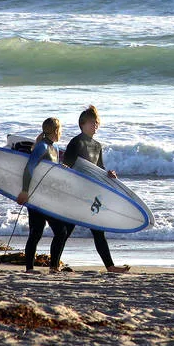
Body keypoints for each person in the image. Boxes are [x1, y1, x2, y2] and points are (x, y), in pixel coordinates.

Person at [61, 105, 130, 273]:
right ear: (82, 124)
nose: (95, 126)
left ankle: (110, 266)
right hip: (77, 194)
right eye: (92, 122)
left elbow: (99, 170)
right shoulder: (76, 142)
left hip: (92, 195)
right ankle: (54, 266)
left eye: (97, 123)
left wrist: (109, 174)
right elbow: (65, 167)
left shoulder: (97, 146)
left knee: (98, 231)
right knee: (65, 231)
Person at [16, 117, 71, 273]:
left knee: (38, 232)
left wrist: (61, 168)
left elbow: (48, 171)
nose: (61, 133)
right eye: (60, 130)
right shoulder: (42, 147)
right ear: (55, 131)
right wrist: (25, 191)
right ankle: (48, 268)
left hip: (45, 197)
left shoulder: (53, 148)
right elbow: (29, 168)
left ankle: (35, 268)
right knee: (58, 232)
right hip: (38, 197)